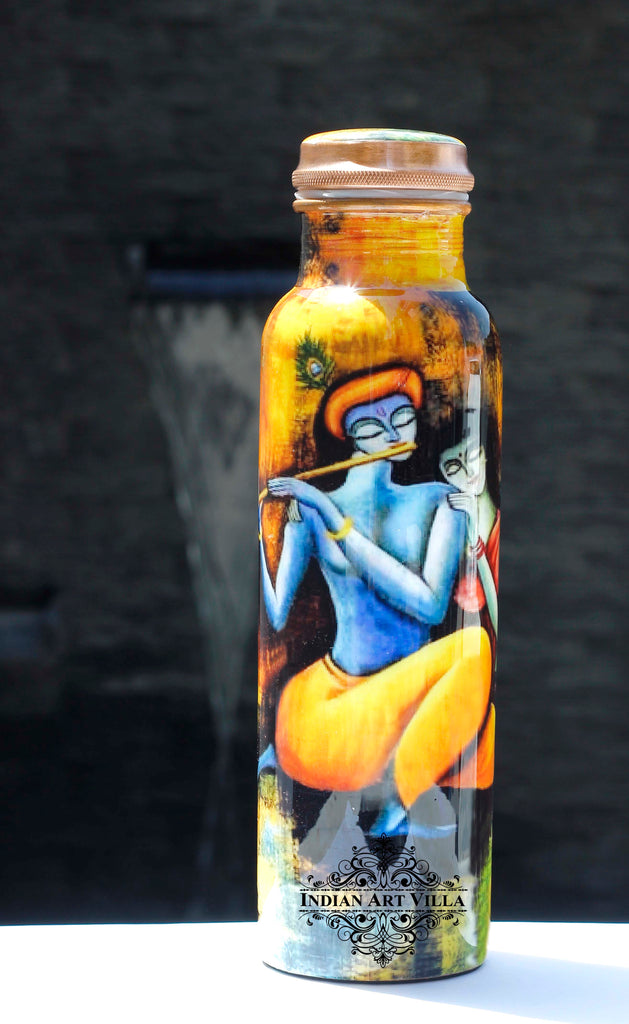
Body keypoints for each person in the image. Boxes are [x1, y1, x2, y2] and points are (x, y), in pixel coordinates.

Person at [259, 366, 492, 814]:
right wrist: (264, 530)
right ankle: (399, 802)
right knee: (474, 651)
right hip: (324, 715)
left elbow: (429, 605)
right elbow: (277, 615)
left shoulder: (442, 502)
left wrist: (336, 521)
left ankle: (399, 798)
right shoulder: (310, 511)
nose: (390, 433)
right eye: (370, 425)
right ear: (351, 438)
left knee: (475, 665)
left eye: (402, 418)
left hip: (402, 709)